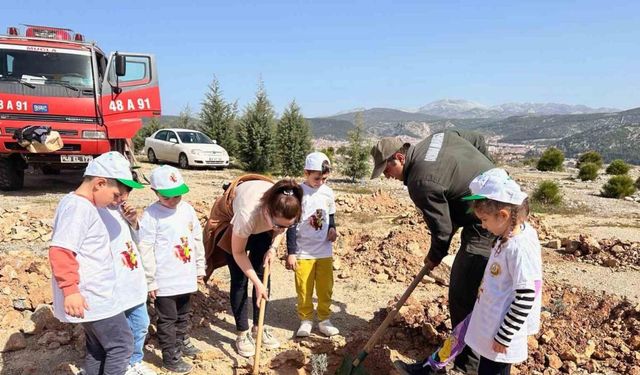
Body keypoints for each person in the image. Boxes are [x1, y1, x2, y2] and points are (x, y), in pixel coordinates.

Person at [372, 131, 496, 374]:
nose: (388, 177)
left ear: (399, 157)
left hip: (487, 220)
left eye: (387, 170)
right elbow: (477, 138)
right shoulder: (439, 136)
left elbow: (443, 229)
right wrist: (491, 175)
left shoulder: (420, 181)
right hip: (495, 203)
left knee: (462, 294)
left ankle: (467, 367)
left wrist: (434, 257)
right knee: (475, 287)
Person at [48, 151, 142, 375]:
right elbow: (61, 250)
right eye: (117, 195)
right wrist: (70, 290)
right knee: (122, 345)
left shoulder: (85, 205)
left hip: (95, 295)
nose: (119, 201)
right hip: (93, 296)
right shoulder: (78, 208)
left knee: (99, 348)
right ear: (100, 183)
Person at [203, 176, 303, 357]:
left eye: (287, 226)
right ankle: (242, 333)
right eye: (278, 225)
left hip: (263, 225)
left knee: (263, 271)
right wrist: (256, 282)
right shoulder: (247, 215)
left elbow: (283, 227)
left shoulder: (286, 204)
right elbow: (238, 253)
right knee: (240, 279)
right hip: (231, 224)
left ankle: (259, 327)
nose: (281, 229)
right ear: (267, 211)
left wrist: (273, 248)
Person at [463, 168, 543, 374]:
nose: (482, 225)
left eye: (485, 220)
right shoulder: (508, 235)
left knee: (493, 370)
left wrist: (504, 335)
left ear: (503, 215)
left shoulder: (519, 248)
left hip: (501, 332)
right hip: (493, 322)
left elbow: (526, 296)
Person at [138, 165, 205, 374]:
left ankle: (182, 340)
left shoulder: (187, 210)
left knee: (183, 315)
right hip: (164, 280)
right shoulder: (151, 215)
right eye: (168, 197)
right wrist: (151, 280)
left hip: (185, 277)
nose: (174, 200)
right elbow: (145, 248)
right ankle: (170, 356)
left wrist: (199, 266)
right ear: (155, 192)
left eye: (178, 196)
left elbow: (196, 239)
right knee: (167, 320)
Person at [97, 184, 156, 375]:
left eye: (127, 193)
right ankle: (118, 365)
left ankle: (133, 361)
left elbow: (139, 241)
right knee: (118, 334)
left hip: (133, 283)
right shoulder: (96, 212)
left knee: (140, 325)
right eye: (120, 193)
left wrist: (133, 222)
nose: (124, 198)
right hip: (114, 285)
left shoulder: (121, 210)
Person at [285, 152, 339, 337]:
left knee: (325, 288)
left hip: (324, 250)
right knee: (304, 288)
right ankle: (306, 320)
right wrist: (291, 252)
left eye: (324, 178)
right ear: (306, 173)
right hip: (303, 251)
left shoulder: (328, 192)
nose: (321, 182)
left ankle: (324, 319)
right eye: (317, 178)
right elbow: (291, 224)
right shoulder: (298, 193)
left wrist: (332, 228)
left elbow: (330, 215)